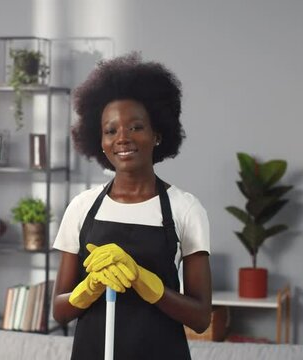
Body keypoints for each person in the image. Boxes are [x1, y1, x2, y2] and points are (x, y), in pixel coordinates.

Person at [52, 53, 212, 359]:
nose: (122, 138)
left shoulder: (185, 209)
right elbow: (60, 311)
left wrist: (143, 280)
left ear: (157, 135)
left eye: (136, 127)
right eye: (111, 131)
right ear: (99, 141)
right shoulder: (82, 207)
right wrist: (90, 287)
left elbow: (201, 318)